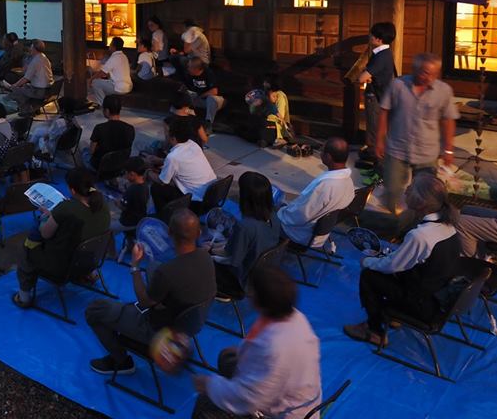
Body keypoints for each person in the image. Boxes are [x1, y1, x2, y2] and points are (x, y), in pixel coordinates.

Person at [85, 209, 217, 374]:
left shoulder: (168, 273)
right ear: (198, 233)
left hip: (158, 330)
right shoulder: (206, 258)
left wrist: (135, 266)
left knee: (95, 310)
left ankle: (121, 361)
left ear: (169, 232)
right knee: (154, 267)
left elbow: (144, 302)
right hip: (188, 324)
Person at [343, 172, 461, 347]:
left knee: (369, 275)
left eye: (411, 189)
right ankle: (393, 316)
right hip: (439, 294)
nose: (406, 191)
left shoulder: (420, 235)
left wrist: (367, 262)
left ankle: (375, 331)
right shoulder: (448, 224)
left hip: (423, 304)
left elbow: (393, 266)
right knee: (384, 268)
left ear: (421, 203)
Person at [191, 266, 321, 419]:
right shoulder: (295, 317)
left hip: (283, 413)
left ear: (260, 302)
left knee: (205, 406)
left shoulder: (275, 347)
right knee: (227, 357)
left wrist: (209, 385)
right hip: (283, 391)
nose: (250, 294)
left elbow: (249, 398)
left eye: (253, 291)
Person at [12, 169, 110, 308]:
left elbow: (45, 233)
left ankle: (24, 297)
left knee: (24, 250)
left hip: (63, 266)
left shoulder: (66, 208)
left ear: (72, 190)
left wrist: (47, 216)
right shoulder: (102, 203)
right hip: (90, 259)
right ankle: (89, 275)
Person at [376, 52, 459, 213]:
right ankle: (392, 221)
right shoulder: (397, 85)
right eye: (426, 73)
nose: (430, 77)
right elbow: (384, 111)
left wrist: (449, 149)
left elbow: (448, 120)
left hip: (427, 152)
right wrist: (380, 140)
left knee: (425, 196)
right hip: (397, 148)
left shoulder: (444, 91)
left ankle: (415, 226)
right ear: (415, 69)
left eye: (435, 74)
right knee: (392, 189)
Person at [211, 172, 282, 296]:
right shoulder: (274, 216)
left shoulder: (245, 227)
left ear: (245, 196)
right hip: (264, 271)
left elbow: (233, 261)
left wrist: (210, 254)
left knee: (200, 261)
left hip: (242, 279)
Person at [277, 137, 354, 248]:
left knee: (265, 217)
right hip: (319, 232)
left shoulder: (327, 186)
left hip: (302, 234)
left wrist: (281, 213)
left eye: (322, 151)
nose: (320, 154)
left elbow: (301, 215)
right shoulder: (348, 182)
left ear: (328, 157)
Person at [149, 120, 217, 210]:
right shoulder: (193, 144)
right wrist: (160, 160)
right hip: (211, 194)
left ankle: (164, 216)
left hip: (197, 201)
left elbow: (163, 181)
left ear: (173, 138)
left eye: (167, 134)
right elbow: (182, 160)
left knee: (156, 188)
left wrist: (148, 171)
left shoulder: (173, 157)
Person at [357, 22, 397, 162]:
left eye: (372, 35)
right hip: (380, 93)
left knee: (374, 124)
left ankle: (375, 154)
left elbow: (362, 77)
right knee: (375, 123)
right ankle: (373, 150)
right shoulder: (385, 53)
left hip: (375, 95)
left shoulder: (381, 56)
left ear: (379, 39)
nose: (370, 37)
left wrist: (365, 75)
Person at [82, 94, 135, 170]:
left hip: (101, 166)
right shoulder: (130, 128)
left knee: (84, 149)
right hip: (120, 165)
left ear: (107, 111)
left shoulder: (99, 128)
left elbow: (91, 151)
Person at [5, 39, 54, 116]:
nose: (30, 49)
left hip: (40, 91)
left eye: (31, 47)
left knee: (17, 91)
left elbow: (26, 78)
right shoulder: (44, 58)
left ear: (34, 48)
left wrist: (14, 86)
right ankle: (33, 108)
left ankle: (26, 111)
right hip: (49, 90)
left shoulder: (36, 61)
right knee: (25, 87)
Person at [176, 57, 225, 129]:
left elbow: (214, 91)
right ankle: (183, 118)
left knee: (211, 99)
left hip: (216, 100)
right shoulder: (189, 75)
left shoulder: (209, 73)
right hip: (199, 99)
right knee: (184, 95)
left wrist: (200, 96)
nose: (188, 68)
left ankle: (208, 124)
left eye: (189, 67)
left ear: (195, 69)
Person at [89, 36, 133, 106]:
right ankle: (108, 103)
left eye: (110, 44)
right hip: (128, 86)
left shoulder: (115, 57)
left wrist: (91, 79)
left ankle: (104, 105)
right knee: (103, 83)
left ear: (113, 47)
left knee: (95, 83)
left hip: (119, 87)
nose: (109, 46)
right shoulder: (124, 56)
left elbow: (102, 72)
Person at [112, 156, 150, 232]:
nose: (125, 175)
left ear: (132, 174)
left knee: (107, 228)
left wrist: (117, 203)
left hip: (128, 222)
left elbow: (123, 207)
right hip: (140, 219)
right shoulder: (146, 185)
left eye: (126, 173)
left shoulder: (132, 190)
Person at [262, 75, 293, 147]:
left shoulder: (280, 96)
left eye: (266, 82)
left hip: (276, 124)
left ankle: (271, 139)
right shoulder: (266, 93)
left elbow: (280, 115)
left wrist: (267, 117)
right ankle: (264, 139)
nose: (264, 84)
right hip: (267, 120)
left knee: (262, 125)